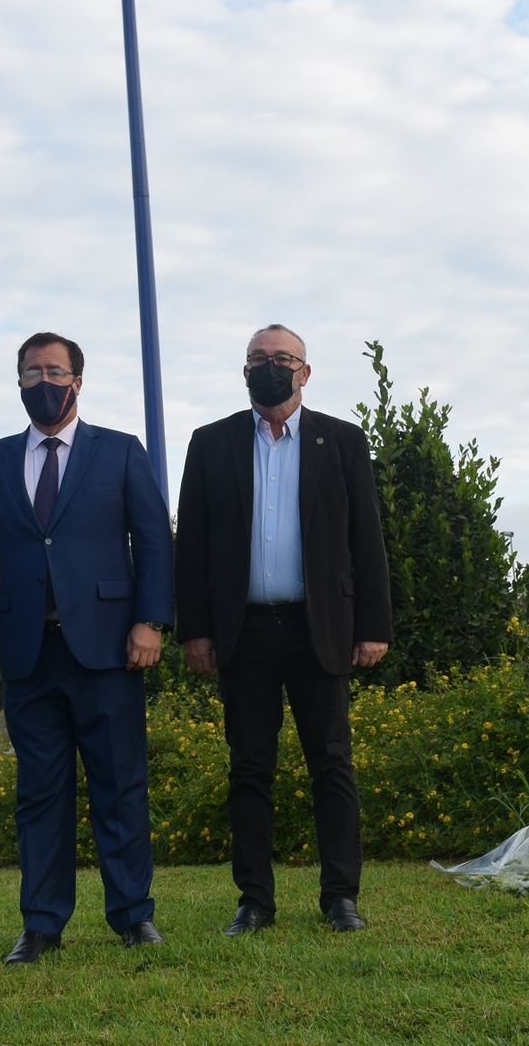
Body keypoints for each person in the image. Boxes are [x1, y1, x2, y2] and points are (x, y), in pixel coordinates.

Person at [0, 332, 172, 964]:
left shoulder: (121, 452)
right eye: (31, 372)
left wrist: (151, 622)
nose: (42, 381)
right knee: (39, 794)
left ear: (78, 380)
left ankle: (133, 914)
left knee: (119, 786)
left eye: (54, 370)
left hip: (108, 650)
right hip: (26, 654)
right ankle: (41, 924)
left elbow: (154, 542)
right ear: (18, 382)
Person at [174, 324, 392, 935]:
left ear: (306, 370)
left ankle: (341, 896)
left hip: (319, 626)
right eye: (257, 360)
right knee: (248, 767)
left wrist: (373, 625)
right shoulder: (210, 443)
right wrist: (194, 628)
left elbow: (366, 539)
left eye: (281, 359)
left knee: (332, 762)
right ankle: (254, 899)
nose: (269, 368)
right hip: (242, 631)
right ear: (243, 370)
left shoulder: (342, 440)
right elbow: (190, 544)